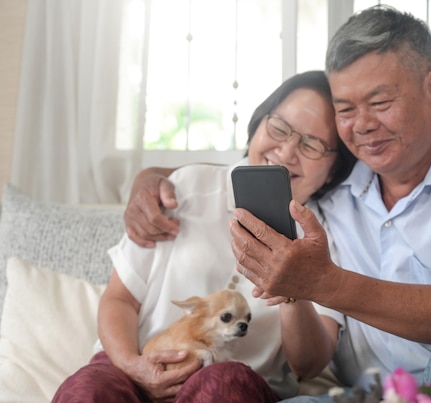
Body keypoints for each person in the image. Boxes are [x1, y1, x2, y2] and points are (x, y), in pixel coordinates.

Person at [122, 4, 431, 400]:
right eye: (345, 110)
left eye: (379, 102)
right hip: (361, 396)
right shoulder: (336, 181)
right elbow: (264, 163)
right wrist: (153, 178)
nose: (362, 126)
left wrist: (321, 282)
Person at [52, 70, 356, 403]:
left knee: (224, 385)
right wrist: (131, 364)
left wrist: (291, 290)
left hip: (234, 385)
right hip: (134, 367)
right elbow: (120, 299)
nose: (286, 151)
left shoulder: (326, 236)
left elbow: (309, 365)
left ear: (333, 170)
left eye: (312, 144)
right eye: (279, 128)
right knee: (89, 390)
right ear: (257, 125)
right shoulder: (187, 187)